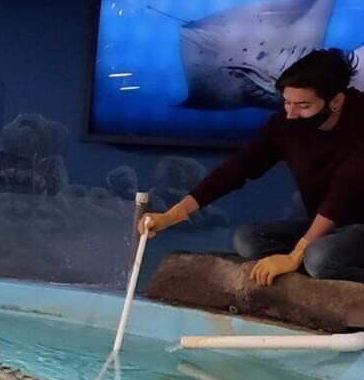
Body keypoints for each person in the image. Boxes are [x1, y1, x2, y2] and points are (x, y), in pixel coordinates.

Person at [141, 48, 364, 285]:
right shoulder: (284, 125)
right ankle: (311, 265)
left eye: (304, 106)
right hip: (331, 229)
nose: (292, 114)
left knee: (319, 259)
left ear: (336, 101)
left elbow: (345, 191)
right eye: (287, 103)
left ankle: (316, 266)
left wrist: (296, 254)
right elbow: (239, 168)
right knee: (248, 239)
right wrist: (173, 215)